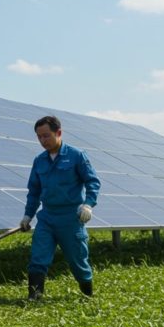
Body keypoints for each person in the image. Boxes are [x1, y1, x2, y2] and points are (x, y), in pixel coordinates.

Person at [19, 115, 100, 300]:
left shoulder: (76, 155)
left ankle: (88, 295)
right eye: (39, 137)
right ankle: (34, 297)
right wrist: (27, 216)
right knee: (38, 257)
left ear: (59, 133)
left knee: (78, 261)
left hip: (71, 218)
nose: (42, 141)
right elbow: (34, 191)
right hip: (47, 217)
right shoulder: (39, 161)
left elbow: (93, 182)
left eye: (46, 136)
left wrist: (88, 204)